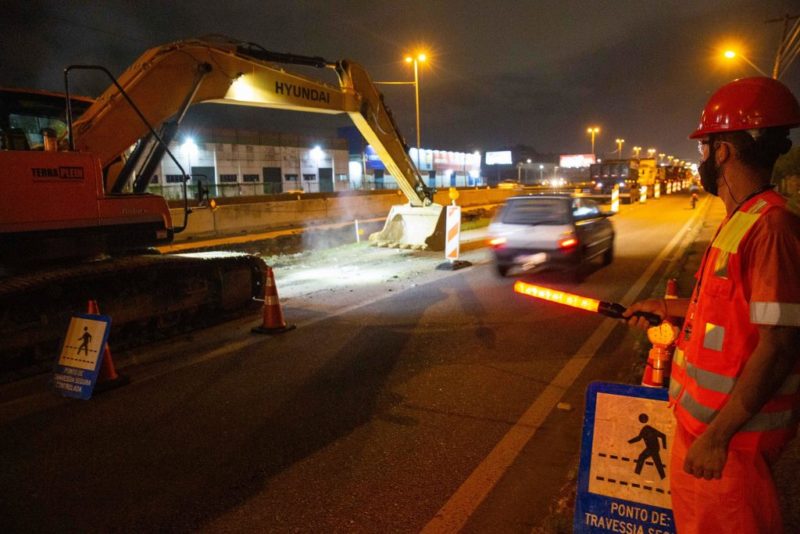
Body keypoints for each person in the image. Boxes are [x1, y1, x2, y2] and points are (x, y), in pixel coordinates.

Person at [623, 77, 800, 533]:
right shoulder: (741, 221)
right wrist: (669, 308)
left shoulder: (772, 228)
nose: (702, 159)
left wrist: (719, 437)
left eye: (704, 149)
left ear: (722, 151)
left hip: (732, 449)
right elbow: (731, 310)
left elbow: (780, 343)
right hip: (703, 436)